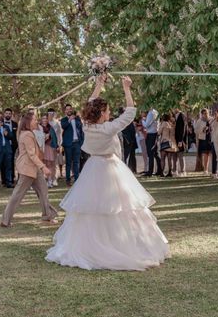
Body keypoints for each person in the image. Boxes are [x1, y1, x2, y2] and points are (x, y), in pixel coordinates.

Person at [46, 75, 169, 271]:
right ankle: (120, 246)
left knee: (94, 207)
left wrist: (98, 85)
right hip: (110, 169)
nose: (110, 112)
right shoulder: (108, 128)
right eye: (108, 110)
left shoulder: (87, 126)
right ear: (102, 113)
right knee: (119, 206)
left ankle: (91, 245)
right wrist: (127, 87)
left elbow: (89, 103)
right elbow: (130, 112)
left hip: (93, 168)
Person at [0, 113, 58, 227]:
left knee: (43, 191)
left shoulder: (29, 133)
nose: (37, 121)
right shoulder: (27, 135)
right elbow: (31, 154)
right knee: (17, 195)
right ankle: (5, 220)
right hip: (28, 168)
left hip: (34, 168)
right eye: (34, 120)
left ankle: (48, 216)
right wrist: (44, 167)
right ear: (28, 122)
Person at [60, 103, 84, 186]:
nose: (69, 110)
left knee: (76, 162)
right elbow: (64, 127)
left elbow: (81, 130)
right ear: (65, 111)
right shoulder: (63, 120)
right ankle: (68, 180)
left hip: (77, 143)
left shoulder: (77, 119)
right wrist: (69, 119)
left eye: (70, 109)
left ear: (72, 109)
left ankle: (77, 180)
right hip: (68, 144)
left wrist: (81, 142)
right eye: (67, 109)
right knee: (68, 163)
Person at [143, 105, 162, 176]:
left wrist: (143, 120)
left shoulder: (151, 113)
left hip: (151, 134)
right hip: (154, 134)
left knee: (150, 153)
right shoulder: (156, 112)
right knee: (155, 153)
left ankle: (150, 171)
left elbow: (146, 125)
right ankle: (159, 169)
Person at [47, 107, 64, 184]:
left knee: (55, 162)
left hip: (55, 145)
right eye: (49, 114)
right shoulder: (45, 122)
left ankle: (54, 178)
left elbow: (59, 135)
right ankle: (49, 178)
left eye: (52, 114)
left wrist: (60, 145)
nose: (51, 115)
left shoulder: (57, 123)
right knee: (48, 162)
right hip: (47, 145)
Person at [42, 115, 59, 187]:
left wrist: (57, 146)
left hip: (49, 147)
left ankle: (50, 180)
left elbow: (55, 137)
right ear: (41, 119)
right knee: (42, 164)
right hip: (41, 148)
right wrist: (44, 137)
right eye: (43, 118)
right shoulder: (39, 127)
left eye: (46, 118)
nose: (45, 120)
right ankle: (42, 181)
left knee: (50, 164)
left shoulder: (50, 128)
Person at [3, 108, 18, 185]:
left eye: (9, 113)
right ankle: (4, 180)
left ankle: (11, 178)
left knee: (11, 162)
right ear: (4, 114)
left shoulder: (15, 124)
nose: (8, 115)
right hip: (3, 145)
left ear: (11, 115)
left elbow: (16, 135)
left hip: (13, 145)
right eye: (6, 113)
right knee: (3, 163)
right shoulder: (0, 123)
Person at [157, 113, 176, 177]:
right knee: (169, 159)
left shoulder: (164, 123)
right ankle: (170, 172)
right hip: (171, 143)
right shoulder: (171, 124)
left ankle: (162, 172)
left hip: (164, 142)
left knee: (162, 158)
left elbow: (159, 132)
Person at [194, 109, 211, 175]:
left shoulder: (211, 119)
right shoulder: (199, 121)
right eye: (204, 113)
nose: (206, 114)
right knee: (205, 154)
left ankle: (212, 169)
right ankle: (205, 169)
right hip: (203, 139)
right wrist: (202, 129)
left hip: (210, 138)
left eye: (207, 113)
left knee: (210, 154)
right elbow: (196, 131)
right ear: (202, 114)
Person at [120, 108, 137, 173]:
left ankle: (128, 170)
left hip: (127, 141)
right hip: (128, 141)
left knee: (125, 156)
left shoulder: (122, 121)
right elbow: (133, 131)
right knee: (126, 156)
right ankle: (128, 170)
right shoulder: (128, 120)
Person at [173, 107, 187, 176]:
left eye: (174, 107)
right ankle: (175, 171)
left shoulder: (181, 115)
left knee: (181, 155)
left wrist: (180, 140)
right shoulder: (174, 115)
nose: (173, 109)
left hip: (180, 139)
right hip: (174, 139)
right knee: (174, 156)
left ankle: (183, 171)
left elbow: (183, 129)